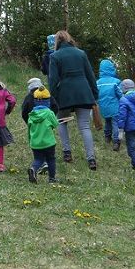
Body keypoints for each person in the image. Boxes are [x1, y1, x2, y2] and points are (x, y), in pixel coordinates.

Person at [46, 30, 99, 169]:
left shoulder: (55, 56)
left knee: (62, 122)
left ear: (57, 41)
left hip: (65, 94)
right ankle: (91, 159)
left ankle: (67, 152)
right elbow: (90, 75)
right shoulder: (81, 53)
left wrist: (53, 97)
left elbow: (53, 80)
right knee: (85, 126)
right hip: (83, 92)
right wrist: (94, 94)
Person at [26, 80, 60, 184]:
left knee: (38, 159)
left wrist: (30, 141)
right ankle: (52, 178)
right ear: (47, 101)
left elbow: (29, 130)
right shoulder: (49, 113)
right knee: (51, 159)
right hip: (48, 142)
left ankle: (33, 169)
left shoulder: (31, 115)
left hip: (35, 143)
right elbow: (55, 124)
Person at [96, 59, 123, 149]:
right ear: (111, 68)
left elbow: (96, 94)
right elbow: (120, 94)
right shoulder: (116, 81)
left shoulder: (98, 82)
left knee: (107, 121)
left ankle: (107, 137)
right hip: (114, 107)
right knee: (115, 123)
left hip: (103, 107)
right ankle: (116, 141)